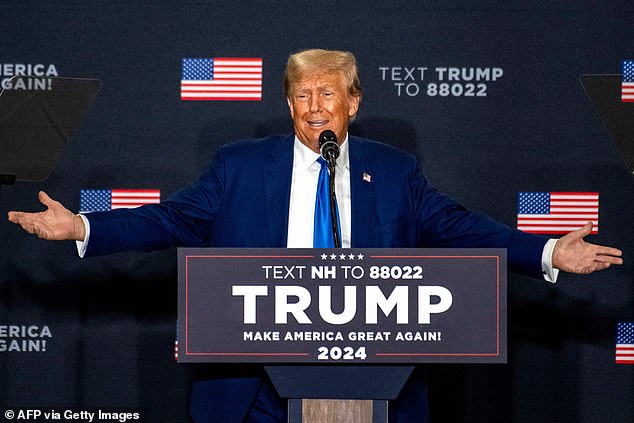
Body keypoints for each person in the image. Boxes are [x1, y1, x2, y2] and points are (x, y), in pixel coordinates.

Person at [8, 49, 623, 422]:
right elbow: (168, 218)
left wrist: (545, 249)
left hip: (376, 378)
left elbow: (458, 226)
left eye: (327, 92)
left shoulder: (396, 170)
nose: (314, 106)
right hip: (253, 387)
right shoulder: (240, 166)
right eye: (301, 95)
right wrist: (85, 225)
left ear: (353, 102)